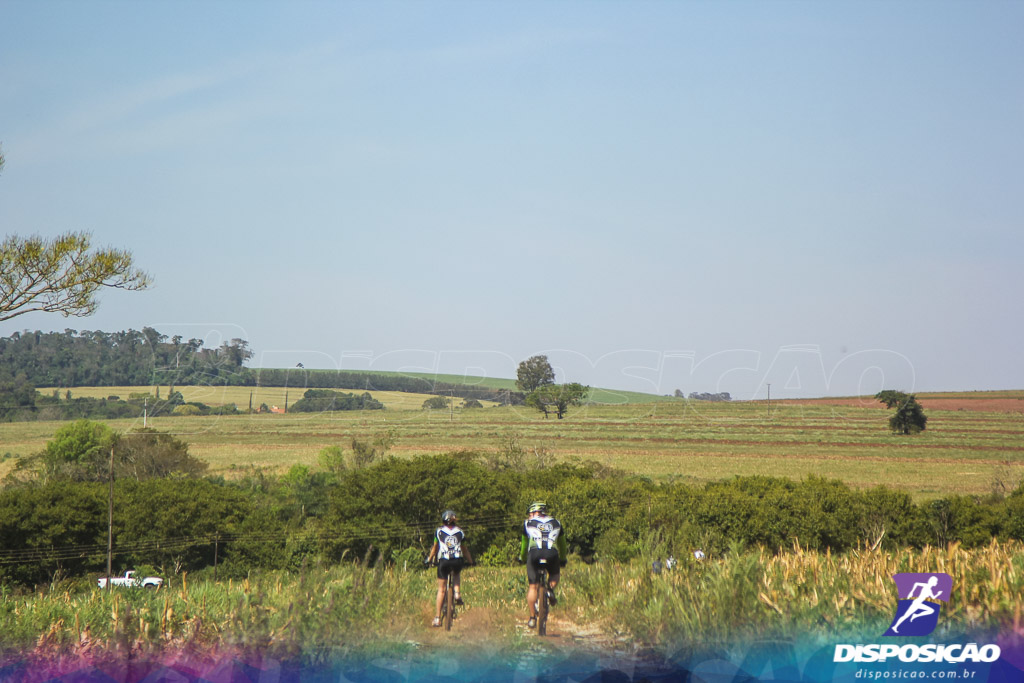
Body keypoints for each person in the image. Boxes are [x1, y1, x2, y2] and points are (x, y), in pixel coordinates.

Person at [518, 501, 566, 629]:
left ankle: (532, 618)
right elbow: (562, 544)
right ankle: (550, 589)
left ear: (534, 512)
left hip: (534, 555)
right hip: (552, 554)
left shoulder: (527, 524)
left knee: (533, 587)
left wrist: (522, 558)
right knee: (555, 575)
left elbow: (524, 545)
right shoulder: (557, 522)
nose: (529, 516)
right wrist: (563, 559)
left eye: (530, 513)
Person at [426, 509, 473, 627]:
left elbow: (435, 548)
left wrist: (429, 559)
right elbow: (464, 549)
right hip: (457, 560)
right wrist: (471, 561)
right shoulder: (461, 532)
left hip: (444, 562)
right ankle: (457, 593)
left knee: (441, 590)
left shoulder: (438, 531)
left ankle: (437, 618)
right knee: (456, 573)